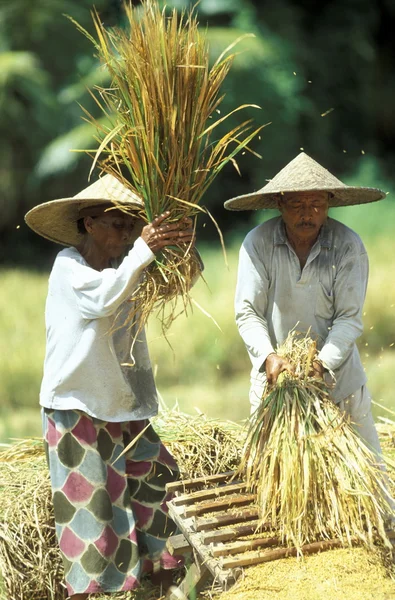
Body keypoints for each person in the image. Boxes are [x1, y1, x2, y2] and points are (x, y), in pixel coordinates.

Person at [24, 174, 198, 600]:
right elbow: (102, 299)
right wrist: (144, 250)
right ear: (89, 224)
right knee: (92, 510)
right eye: (117, 225)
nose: (126, 235)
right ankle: (90, 591)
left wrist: (182, 244)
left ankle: (158, 580)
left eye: (132, 226)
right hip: (76, 404)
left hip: (125, 403)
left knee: (152, 483)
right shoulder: (69, 267)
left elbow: (181, 281)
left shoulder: (130, 267)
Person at [224, 151, 390, 470]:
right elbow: (248, 313)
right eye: (297, 205)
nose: (307, 214)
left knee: (366, 474)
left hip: (339, 381)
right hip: (276, 382)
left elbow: (348, 318)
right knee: (270, 475)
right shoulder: (257, 244)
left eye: (316, 204)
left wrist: (322, 363)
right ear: (280, 205)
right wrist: (270, 357)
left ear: (328, 204)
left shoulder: (347, 246)